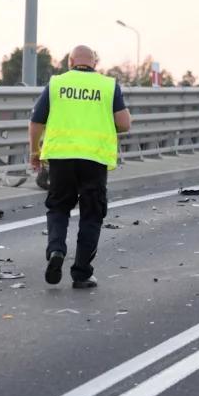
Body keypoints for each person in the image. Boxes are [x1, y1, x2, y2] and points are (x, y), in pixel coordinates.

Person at [28, 45, 132, 288]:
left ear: (70, 61)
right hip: (94, 159)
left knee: (58, 208)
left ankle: (56, 250)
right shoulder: (108, 85)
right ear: (94, 63)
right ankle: (82, 272)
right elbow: (124, 124)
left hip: (61, 158)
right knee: (91, 214)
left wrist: (35, 151)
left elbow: (35, 122)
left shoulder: (56, 84)